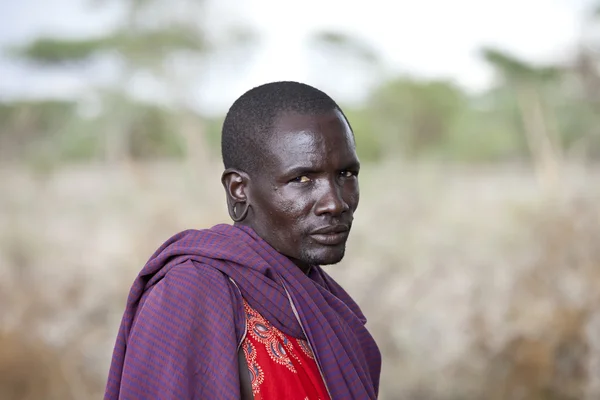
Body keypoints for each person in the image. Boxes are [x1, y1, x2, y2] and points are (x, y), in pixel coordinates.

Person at [104, 81, 382, 400]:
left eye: (346, 175)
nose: (334, 202)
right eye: (302, 179)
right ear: (239, 189)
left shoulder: (315, 296)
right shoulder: (191, 290)